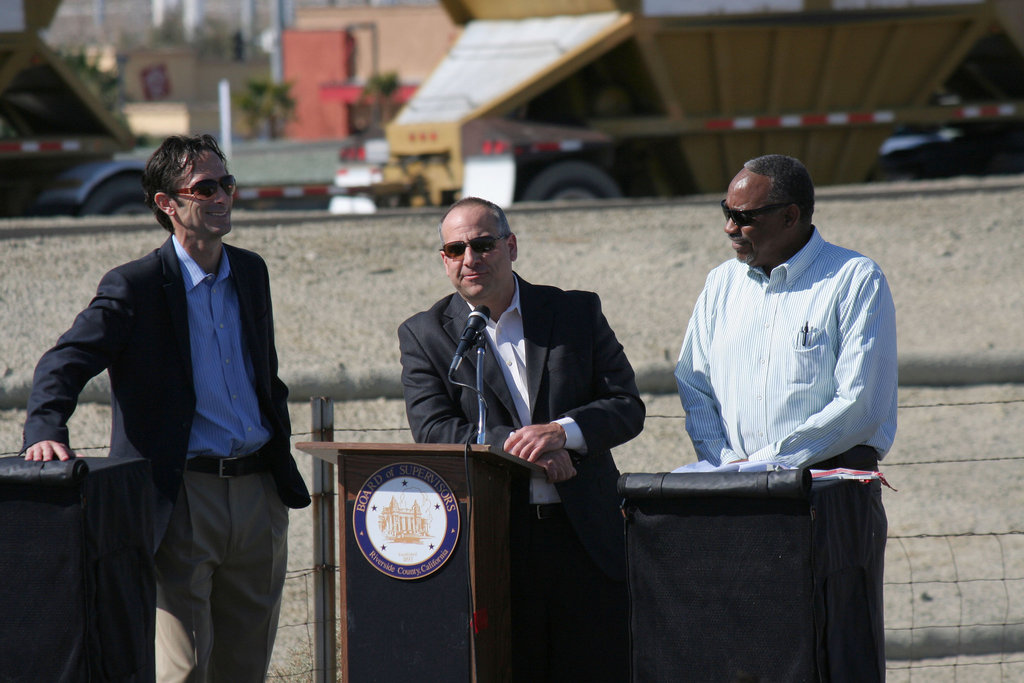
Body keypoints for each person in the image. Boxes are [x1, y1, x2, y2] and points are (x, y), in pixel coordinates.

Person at [22, 134, 310, 681]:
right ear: (167, 204)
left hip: (257, 494)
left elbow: (263, 378)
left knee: (244, 669)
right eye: (205, 187)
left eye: (226, 184)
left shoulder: (251, 272)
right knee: (183, 671)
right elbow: (65, 360)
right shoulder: (134, 286)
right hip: (179, 497)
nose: (222, 196)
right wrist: (44, 426)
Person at [398, 196, 645, 681]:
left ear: (510, 246)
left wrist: (562, 434)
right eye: (455, 249)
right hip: (496, 540)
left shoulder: (573, 311)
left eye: (483, 244)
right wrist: (529, 451)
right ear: (444, 259)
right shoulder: (425, 334)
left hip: (585, 539)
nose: (471, 259)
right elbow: (433, 429)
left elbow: (626, 406)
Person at [675, 153, 897, 471]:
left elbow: (860, 405)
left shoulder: (854, 279)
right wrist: (726, 463)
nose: (728, 227)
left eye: (744, 217)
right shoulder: (721, 283)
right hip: (734, 486)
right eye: (726, 211)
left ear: (790, 217)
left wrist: (766, 466)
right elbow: (693, 382)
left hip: (826, 490)